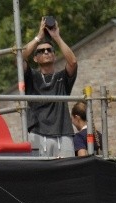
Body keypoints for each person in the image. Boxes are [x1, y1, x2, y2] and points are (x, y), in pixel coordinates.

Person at [21, 17, 78, 158]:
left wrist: (56, 37)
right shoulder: (32, 76)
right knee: (39, 176)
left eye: (49, 50)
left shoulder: (62, 77)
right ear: (35, 58)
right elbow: (19, 58)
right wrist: (39, 36)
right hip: (37, 133)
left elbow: (73, 62)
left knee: (67, 174)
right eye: (41, 51)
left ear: (54, 55)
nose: (46, 52)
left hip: (63, 133)